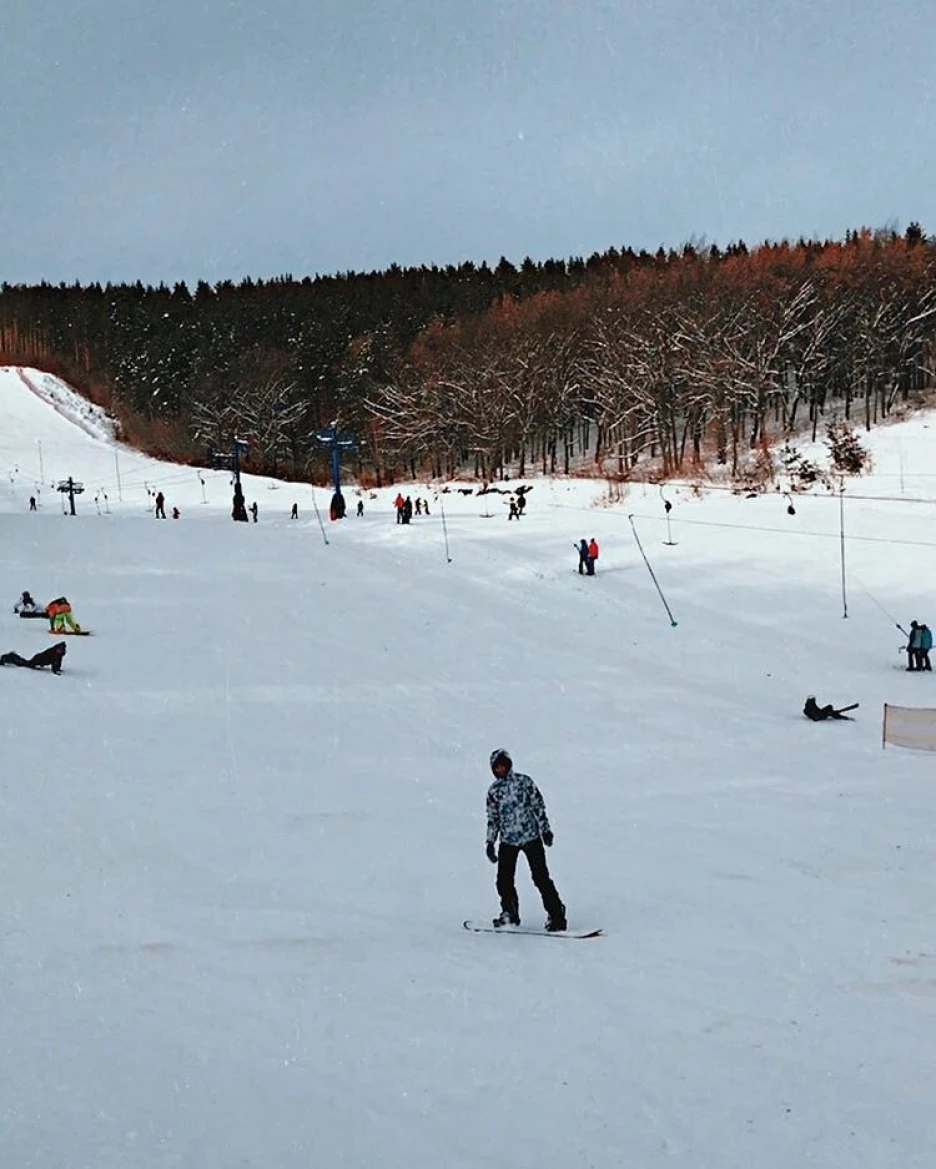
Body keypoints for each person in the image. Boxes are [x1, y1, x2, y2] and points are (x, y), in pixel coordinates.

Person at [485, 748, 567, 932]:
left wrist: (545, 830)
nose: (500, 770)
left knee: (540, 877)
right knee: (503, 880)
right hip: (508, 842)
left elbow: (538, 806)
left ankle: (556, 914)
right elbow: (493, 818)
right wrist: (490, 842)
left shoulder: (524, 782)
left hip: (531, 837)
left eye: (502, 766)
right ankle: (509, 913)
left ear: (508, 765)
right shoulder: (494, 792)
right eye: (496, 768)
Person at [1, 641, 67, 675]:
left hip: (41, 660)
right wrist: (55, 671)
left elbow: (58, 661)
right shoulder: (53, 651)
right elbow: (54, 662)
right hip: (38, 659)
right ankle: (9, 657)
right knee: (25, 664)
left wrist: (58, 668)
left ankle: (11, 656)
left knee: (25, 663)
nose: (59, 650)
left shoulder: (60, 653)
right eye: (59, 649)